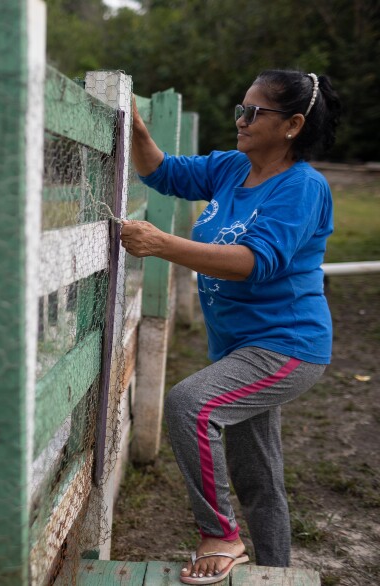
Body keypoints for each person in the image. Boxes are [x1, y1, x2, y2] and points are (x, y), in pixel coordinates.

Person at [121, 70, 342, 585]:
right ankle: (274, 573)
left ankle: (219, 534)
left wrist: (162, 245)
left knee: (190, 404)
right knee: (257, 475)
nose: (240, 120)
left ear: (291, 125)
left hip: (286, 346)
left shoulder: (304, 187)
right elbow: (162, 173)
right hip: (239, 347)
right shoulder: (229, 167)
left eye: (252, 112)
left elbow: (252, 261)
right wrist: (136, 131)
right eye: (240, 109)